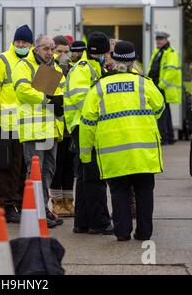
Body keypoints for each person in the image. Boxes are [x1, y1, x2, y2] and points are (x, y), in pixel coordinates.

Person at [79, 41, 165, 241]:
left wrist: (85, 154)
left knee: (118, 192)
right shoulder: (144, 83)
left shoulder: (99, 87)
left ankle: (122, 232)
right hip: (144, 153)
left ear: (113, 59)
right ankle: (144, 233)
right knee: (144, 192)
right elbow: (160, 109)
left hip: (113, 153)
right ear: (133, 61)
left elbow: (87, 123)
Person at [12, 35, 65, 228]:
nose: (50, 52)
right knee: (34, 172)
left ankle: (42, 209)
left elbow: (62, 92)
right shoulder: (24, 66)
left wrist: (60, 103)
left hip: (51, 129)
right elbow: (23, 91)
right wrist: (49, 100)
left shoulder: (56, 68)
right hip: (34, 130)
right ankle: (34, 213)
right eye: (46, 48)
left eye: (52, 49)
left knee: (48, 171)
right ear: (36, 48)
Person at [64, 31, 113, 235]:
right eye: (107, 52)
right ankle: (100, 222)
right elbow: (82, 100)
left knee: (85, 177)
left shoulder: (92, 68)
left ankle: (82, 222)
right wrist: (103, 112)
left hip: (82, 126)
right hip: (85, 127)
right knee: (94, 177)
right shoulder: (84, 70)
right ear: (101, 52)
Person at [0, 25, 32, 223]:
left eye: (25, 42)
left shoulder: (32, 62)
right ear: (14, 41)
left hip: (27, 125)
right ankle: (7, 205)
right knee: (7, 169)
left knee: (23, 168)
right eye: (18, 41)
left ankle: (19, 203)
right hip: (6, 124)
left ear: (30, 44)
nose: (21, 45)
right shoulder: (0, 61)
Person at [49, 35, 76, 217]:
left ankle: (68, 201)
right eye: (59, 52)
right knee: (56, 166)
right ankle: (57, 202)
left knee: (69, 167)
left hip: (71, 126)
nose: (64, 55)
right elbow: (47, 97)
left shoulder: (75, 70)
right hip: (55, 126)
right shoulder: (49, 70)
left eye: (67, 52)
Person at [147, 31, 182, 145]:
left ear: (167, 40)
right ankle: (169, 137)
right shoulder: (158, 52)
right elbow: (152, 69)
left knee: (162, 114)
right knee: (165, 113)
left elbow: (172, 71)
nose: (158, 41)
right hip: (156, 86)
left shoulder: (171, 53)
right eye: (157, 39)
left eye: (161, 39)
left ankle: (165, 138)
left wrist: (161, 85)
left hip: (162, 87)